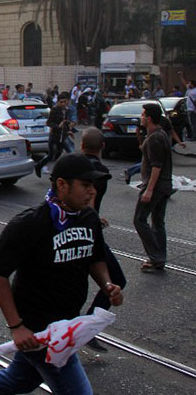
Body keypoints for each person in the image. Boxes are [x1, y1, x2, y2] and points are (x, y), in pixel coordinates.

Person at [0, 153, 123, 395]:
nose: (92, 191)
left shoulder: (88, 218)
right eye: (85, 185)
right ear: (62, 185)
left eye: (93, 185)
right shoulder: (29, 224)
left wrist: (107, 284)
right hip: (41, 330)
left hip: (68, 322)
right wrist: (17, 327)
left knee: (23, 378)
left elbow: (95, 258)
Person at [79, 128, 126, 352]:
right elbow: (89, 202)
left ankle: (79, 330)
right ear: (103, 147)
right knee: (116, 279)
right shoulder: (99, 172)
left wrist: (95, 216)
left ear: (81, 145)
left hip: (74, 230)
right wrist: (93, 218)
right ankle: (85, 330)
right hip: (86, 233)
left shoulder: (71, 165)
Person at [133, 104, 173, 273]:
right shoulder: (158, 135)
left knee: (139, 220)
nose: (141, 117)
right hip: (164, 186)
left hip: (156, 186)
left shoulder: (156, 137)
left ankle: (156, 257)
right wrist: (139, 137)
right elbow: (146, 151)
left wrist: (149, 190)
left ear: (149, 118)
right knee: (157, 222)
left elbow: (156, 166)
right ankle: (159, 258)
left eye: (143, 115)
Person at [35, 92, 72, 177]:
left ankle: (55, 171)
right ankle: (39, 166)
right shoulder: (55, 109)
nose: (63, 104)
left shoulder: (67, 110)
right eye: (61, 102)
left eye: (65, 101)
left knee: (59, 154)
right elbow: (49, 123)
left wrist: (68, 130)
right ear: (58, 101)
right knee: (51, 155)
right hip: (54, 136)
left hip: (62, 136)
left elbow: (65, 122)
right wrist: (58, 126)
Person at [178, 71, 196, 140]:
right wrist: (181, 76)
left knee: (193, 123)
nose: (188, 84)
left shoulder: (195, 91)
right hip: (189, 109)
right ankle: (193, 135)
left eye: (190, 83)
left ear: (193, 84)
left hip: (192, 109)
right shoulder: (189, 89)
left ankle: (194, 136)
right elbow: (184, 83)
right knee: (191, 123)